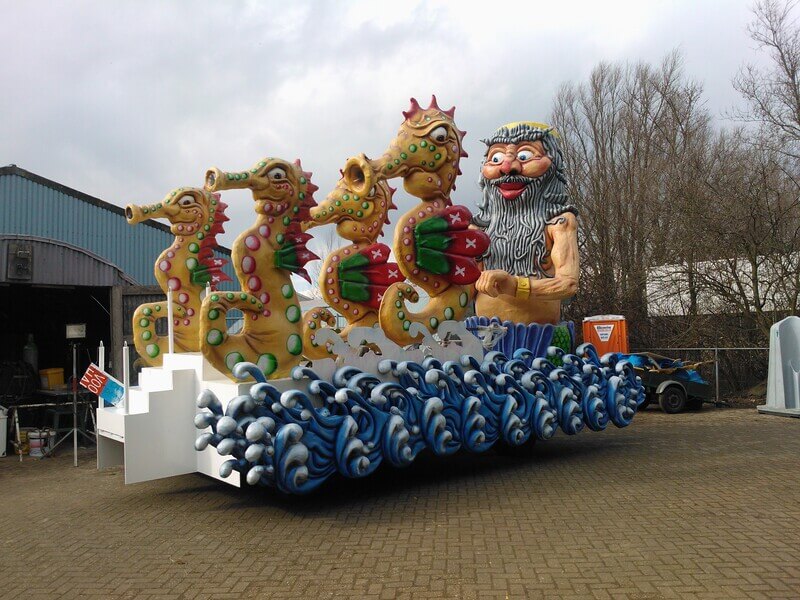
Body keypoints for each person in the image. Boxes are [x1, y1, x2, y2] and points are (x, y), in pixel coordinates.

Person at [470, 122, 579, 355]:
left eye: (525, 156)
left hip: (542, 338)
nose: (508, 167)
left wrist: (515, 285)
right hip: (484, 336)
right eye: (496, 158)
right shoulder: (478, 230)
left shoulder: (559, 223)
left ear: (553, 165)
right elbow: (464, 288)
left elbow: (568, 283)